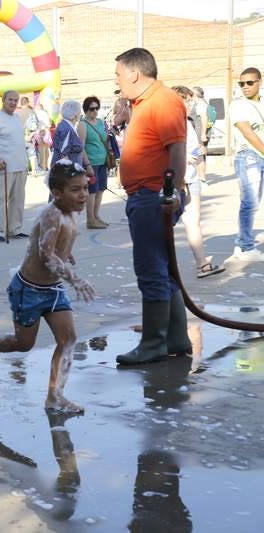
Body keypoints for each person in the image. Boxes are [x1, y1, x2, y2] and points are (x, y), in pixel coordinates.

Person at [0, 160, 94, 413]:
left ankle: (55, 397)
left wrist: (66, 254)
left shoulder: (71, 213)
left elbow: (56, 249)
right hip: (29, 290)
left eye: (85, 188)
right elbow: (46, 255)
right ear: (57, 193)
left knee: (68, 339)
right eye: (75, 190)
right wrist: (75, 278)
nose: (83, 195)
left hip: (54, 290)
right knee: (24, 343)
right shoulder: (52, 214)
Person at [112, 48, 190, 366]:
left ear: (134, 73)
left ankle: (154, 343)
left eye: (118, 74)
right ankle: (174, 338)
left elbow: (177, 149)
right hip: (147, 195)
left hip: (153, 196)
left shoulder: (163, 101)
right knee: (162, 269)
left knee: (151, 271)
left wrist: (174, 191)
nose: (117, 81)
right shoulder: (145, 103)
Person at [172, 86, 224, 278]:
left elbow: (192, 147)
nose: (189, 104)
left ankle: (202, 264)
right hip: (178, 180)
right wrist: (184, 157)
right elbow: (164, 150)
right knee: (165, 224)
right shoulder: (170, 123)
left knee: (193, 222)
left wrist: (200, 152)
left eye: (190, 100)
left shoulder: (187, 122)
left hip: (191, 178)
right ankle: (162, 266)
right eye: (185, 100)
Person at [226, 67, 264, 262]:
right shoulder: (238, 105)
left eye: (249, 83)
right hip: (248, 156)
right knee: (250, 202)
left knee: (255, 202)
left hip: (261, 156)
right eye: (241, 83)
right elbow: (248, 132)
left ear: (259, 82)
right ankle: (244, 247)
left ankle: (243, 244)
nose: (245, 87)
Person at [0, 90, 29, 242]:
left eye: (16, 100)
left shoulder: (17, 117)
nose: (13, 103)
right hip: (3, 167)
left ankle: (14, 229)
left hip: (20, 166)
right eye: (10, 99)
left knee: (18, 200)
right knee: (1, 199)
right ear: (3, 100)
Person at [77, 96, 110, 228]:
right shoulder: (83, 125)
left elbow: (104, 138)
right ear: (86, 110)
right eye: (91, 109)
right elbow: (81, 147)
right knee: (92, 191)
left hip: (103, 161)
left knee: (101, 190)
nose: (95, 111)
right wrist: (87, 164)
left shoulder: (100, 122)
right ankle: (90, 220)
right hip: (92, 162)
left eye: (97, 108)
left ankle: (96, 216)